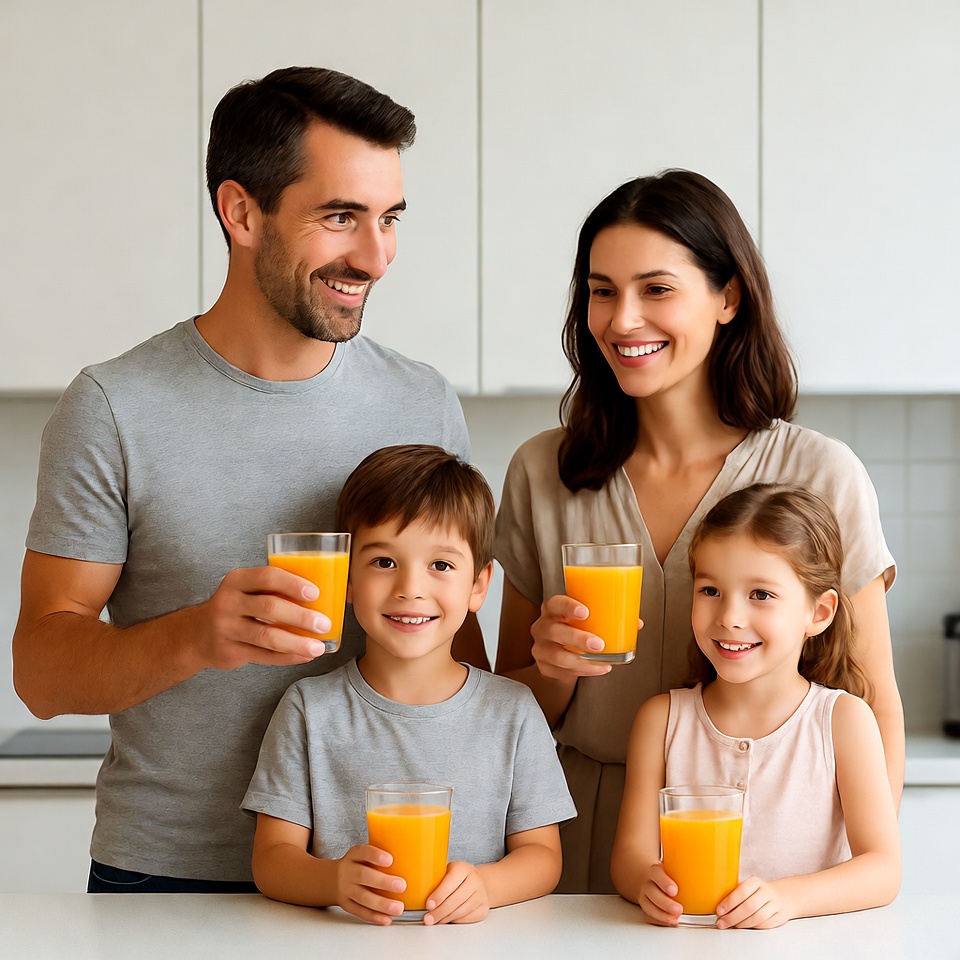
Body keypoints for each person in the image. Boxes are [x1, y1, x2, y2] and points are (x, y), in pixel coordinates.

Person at [12, 67, 477, 893]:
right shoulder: (116, 407)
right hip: (167, 878)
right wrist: (196, 636)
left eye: (390, 220)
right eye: (340, 218)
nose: (373, 256)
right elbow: (41, 672)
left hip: (374, 876)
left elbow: (453, 656)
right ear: (241, 212)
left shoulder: (422, 402)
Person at [494, 169, 903, 893]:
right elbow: (503, 710)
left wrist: (857, 876)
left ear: (727, 297)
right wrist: (552, 670)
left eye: (656, 289)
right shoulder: (542, 472)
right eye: (601, 291)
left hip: (772, 854)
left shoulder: (820, 473)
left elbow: (872, 700)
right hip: (573, 840)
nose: (622, 321)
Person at [243, 445, 575, 924]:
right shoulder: (308, 710)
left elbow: (543, 857)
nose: (410, 589)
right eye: (383, 562)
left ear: (479, 585)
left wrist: (486, 886)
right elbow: (272, 859)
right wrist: (334, 880)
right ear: (347, 578)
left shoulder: (514, 711)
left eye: (440, 565)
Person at [610, 484, 901, 927]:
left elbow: (883, 868)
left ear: (819, 613)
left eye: (760, 595)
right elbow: (631, 856)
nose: (729, 616)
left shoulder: (843, 721)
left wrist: (790, 899)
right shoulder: (661, 720)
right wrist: (644, 884)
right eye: (710, 590)